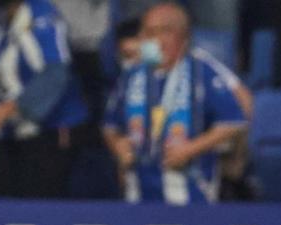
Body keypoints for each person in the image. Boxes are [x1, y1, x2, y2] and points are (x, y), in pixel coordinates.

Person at [102, 2, 247, 204]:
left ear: (181, 37)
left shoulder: (200, 72)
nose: (152, 40)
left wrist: (191, 149)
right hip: (137, 189)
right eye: (147, 32)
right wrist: (118, 146)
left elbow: (233, 121)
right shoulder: (132, 75)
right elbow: (110, 126)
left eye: (160, 32)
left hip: (190, 189)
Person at [0, 0, 89, 199]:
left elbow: (56, 73)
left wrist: (7, 110)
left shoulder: (44, 17)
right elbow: (0, 76)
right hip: (9, 132)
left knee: (38, 209)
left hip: (51, 130)